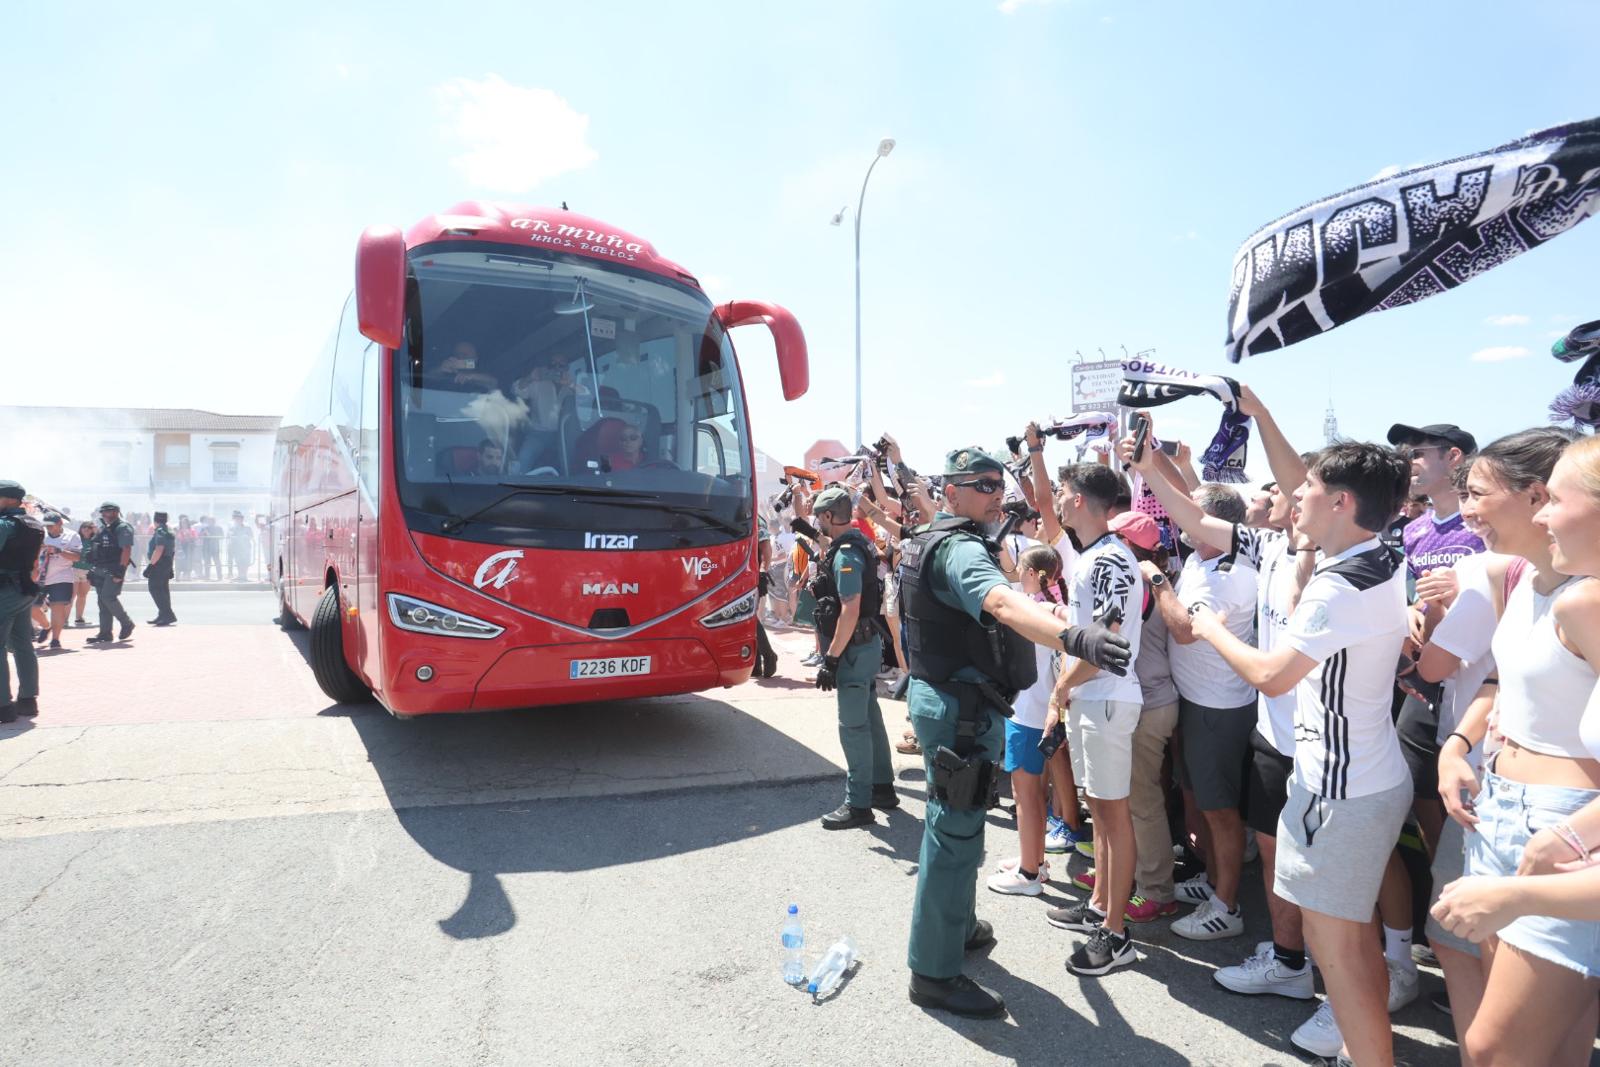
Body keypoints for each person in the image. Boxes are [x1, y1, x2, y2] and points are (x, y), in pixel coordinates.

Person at [1181, 440, 1413, 1067]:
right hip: (1352, 777)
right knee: (1345, 939)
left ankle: (1365, 1050)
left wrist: (1209, 627)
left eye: (1307, 486)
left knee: (1339, 950)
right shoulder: (1377, 555)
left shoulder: (1339, 585)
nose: (1294, 493)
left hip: (1342, 789)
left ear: (1341, 502)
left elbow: (1271, 675)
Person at [901, 445, 1130, 1019]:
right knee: (953, 833)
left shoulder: (942, 538)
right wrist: (1075, 638)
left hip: (956, 702)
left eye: (997, 484)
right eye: (980, 485)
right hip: (958, 708)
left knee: (959, 826)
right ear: (949, 493)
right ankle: (933, 971)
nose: (994, 494)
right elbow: (1002, 603)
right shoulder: (958, 548)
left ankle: (955, 926)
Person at [1433, 428, 1599, 1067]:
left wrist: (1572, 834)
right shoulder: (1523, 577)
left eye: (1478, 494)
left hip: (1562, 824)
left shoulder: (1586, 599)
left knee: (1494, 1046)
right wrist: (1458, 744)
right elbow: (1506, 680)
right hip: (1501, 807)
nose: (1466, 510)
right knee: (1555, 1041)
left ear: (1533, 496)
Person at [1041, 461, 1145, 978]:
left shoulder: (1110, 560)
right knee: (1100, 814)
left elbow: (1109, 641)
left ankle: (1117, 933)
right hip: (1092, 697)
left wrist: (1062, 687)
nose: (1058, 499)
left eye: (1063, 491)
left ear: (1080, 499)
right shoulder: (1094, 557)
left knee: (1112, 816)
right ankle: (1102, 906)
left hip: (1105, 697)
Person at [1146, 484, 1259, 943]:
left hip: (1218, 707)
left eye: (1193, 512)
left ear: (1214, 522)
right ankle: (1214, 880)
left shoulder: (1229, 574)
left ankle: (1227, 907)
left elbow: (1185, 630)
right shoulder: (1201, 557)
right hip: (1197, 701)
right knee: (1202, 801)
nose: (1181, 518)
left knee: (1219, 810)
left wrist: (1157, 581)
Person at [1107, 509, 1182, 923]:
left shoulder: (1139, 582)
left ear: (1127, 544)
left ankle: (1156, 891)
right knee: (1130, 798)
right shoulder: (1150, 579)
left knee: (1142, 800)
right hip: (1151, 700)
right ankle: (1125, 877)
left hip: (1149, 704)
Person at [986, 543, 1070, 897]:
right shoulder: (1045, 606)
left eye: (1021, 569)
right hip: (1037, 711)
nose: (1017, 574)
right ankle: (1034, 859)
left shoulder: (1036, 609)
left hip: (1027, 712)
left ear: (1033, 574)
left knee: (1025, 795)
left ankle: (1029, 873)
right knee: (1034, 793)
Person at [810, 484, 896, 828]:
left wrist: (831, 659)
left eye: (820, 516)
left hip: (852, 650)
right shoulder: (856, 543)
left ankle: (859, 803)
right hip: (865, 646)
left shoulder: (846, 554)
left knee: (853, 727)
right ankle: (882, 788)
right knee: (870, 717)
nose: (817, 522)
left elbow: (850, 609)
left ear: (830, 516)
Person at [0, 480, 44, 723]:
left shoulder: (5, 524)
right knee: (23, 645)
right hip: (24, 589)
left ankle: (3, 706)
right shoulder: (33, 523)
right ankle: (28, 700)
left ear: (8, 499)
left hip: (5, 590)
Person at [86, 501, 136, 644]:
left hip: (114, 568)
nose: (105, 514)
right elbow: (95, 547)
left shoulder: (122, 527)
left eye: (108, 511)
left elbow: (126, 549)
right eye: (103, 512)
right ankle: (105, 633)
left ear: (116, 512)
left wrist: (120, 571)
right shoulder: (104, 528)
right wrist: (91, 570)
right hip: (99, 568)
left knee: (108, 597)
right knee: (102, 602)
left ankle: (127, 623)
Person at [34, 513, 81, 649]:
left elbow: (77, 557)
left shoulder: (72, 535)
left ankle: (55, 640)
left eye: (51, 525)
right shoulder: (40, 534)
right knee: (31, 607)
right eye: (46, 525)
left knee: (57, 607)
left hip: (62, 576)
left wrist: (58, 551)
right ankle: (46, 626)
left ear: (60, 523)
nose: (48, 527)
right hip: (40, 576)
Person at [145, 511, 177, 625]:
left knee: (155, 588)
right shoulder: (169, 531)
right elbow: (172, 550)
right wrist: (170, 566)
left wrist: (151, 565)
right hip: (166, 562)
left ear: (155, 520)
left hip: (159, 563)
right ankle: (163, 615)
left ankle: (168, 615)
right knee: (163, 590)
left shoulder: (160, 531)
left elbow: (159, 548)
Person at [71, 519, 96, 625]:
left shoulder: (95, 541)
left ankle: (79, 617)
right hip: (74, 569)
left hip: (88, 571)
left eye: (89, 527)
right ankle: (64, 620)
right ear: (80, 529)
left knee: (82, 595)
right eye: (84, 527)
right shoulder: (76, 539)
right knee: (71, 595)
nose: (86, 529)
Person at [227, 511, 253, 580]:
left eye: (239, 518)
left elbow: (251, 536)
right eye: (236, 519)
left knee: (245, 561)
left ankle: (244, 576)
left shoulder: (247, 527)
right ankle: (240, 575)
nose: (238, 520)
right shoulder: (232, 527)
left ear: (242, 519)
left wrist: (246, 536)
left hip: (246, 547)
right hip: (237, 547)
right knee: (238, 561)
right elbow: (230, 535)